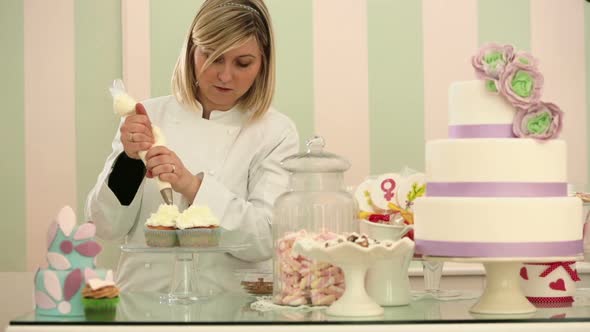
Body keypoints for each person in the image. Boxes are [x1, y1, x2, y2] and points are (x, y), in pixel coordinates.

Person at [86, 0, 299, 293]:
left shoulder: (274, 132)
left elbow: (264, 238)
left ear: (263, 63)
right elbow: (105, 226)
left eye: (243, 63)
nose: (225, 75)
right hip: (142, 303)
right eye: (212, 56)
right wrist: (129, 160)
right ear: (191, 52)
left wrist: (191, 185)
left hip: (229, 308)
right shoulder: (147, 116)